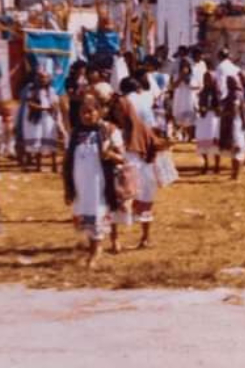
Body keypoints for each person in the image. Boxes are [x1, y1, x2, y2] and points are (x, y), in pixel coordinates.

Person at [63, 92, 123, 269]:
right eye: (83, 112)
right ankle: (94, 246)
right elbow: (67, 162)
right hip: (82, 185)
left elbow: (122, 158)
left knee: (99, 213)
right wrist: (67, 188)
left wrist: (110, 154)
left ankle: (96, 252)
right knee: (86, 215)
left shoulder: (109, 131)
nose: (87, 116)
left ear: (99, 112)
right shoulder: (74, 134)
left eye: (90, 111)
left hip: (101, 183)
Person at [106, 83, 159, 251]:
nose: (118, 113)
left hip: (142, 170)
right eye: (115, 110)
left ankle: (146, 237)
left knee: (143, 202)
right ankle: (115, 240)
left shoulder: (141, 128)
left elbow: (154, 146)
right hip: (118, 170)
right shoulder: (110, 129)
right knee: (115, 203)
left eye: (121, 110)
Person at [20, 71, 60, 172]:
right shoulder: (32, 90)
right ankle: (38, 166)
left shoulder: (51, 90)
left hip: (48, 118)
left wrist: (54, 108)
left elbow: (55, 102)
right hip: (36, 118)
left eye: (45, 77)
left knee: (51, 138)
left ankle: (54, 165)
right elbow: (30, 104)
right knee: (38, 140)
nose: (43, 80)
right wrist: (44, 108)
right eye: (41, 77)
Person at [218, 77, 245, 180]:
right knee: (234, 148)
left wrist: (223, 113)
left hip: (235, 123)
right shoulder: (232, 94)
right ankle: (234, 173)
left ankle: (236, 174)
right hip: (235, 122)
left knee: (236, 147)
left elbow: (234, 110)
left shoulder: (235, 94)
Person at [196, 71, 222, 174]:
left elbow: (219, 108)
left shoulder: (217, 92)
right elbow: (200, 104)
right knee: (202, 140)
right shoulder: (203, 92)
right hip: (203, 119)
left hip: (213, 119)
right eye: (205, 78)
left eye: (209, 78)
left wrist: (208, 108)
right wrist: (200, 109)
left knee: (214, 141)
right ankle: (206, 164)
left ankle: (216, 165)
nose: (206, 80)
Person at [171, 59, 197, 139]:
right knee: (179, 118)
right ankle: (181, 134)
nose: (184, 68)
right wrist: (180, 77)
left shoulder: (193, 76)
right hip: (180, 98)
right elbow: (173, 86)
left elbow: (195, 86)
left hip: (188, 98)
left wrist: (186, 80)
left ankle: (190, 136)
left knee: (189, 118)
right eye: (183, 66)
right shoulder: (176, 75)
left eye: (186, 66)